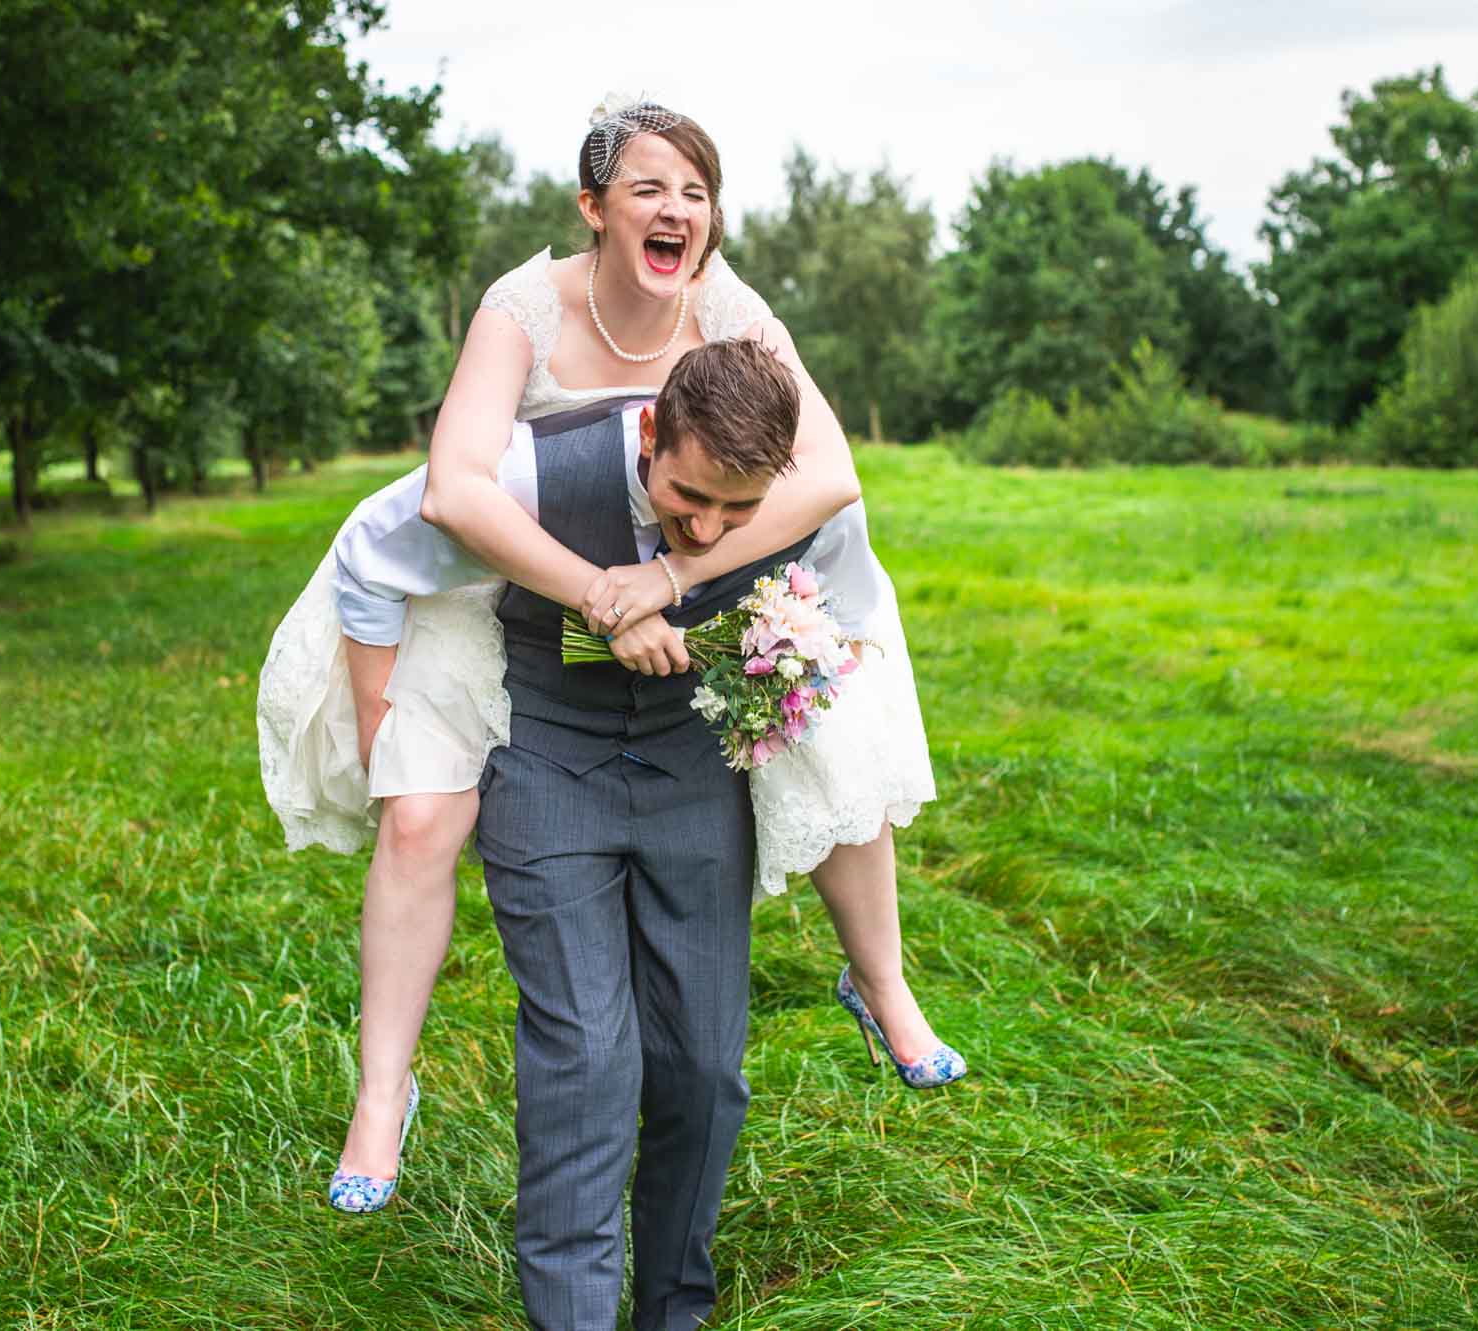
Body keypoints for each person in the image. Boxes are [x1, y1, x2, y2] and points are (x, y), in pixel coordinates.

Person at [254, 97, 959, 1222]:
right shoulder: (521, 309)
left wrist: (668, 584)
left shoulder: (726, 302)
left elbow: (824, 475)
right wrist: (573, 599)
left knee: (831, 723)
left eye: (696, 192)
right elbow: (451, 493)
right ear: (593, 208)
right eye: (649, 189)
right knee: (421, 813)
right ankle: (381, 1093)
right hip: (504, 572)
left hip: (687, 558)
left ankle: (879, 981)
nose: (678, 210)